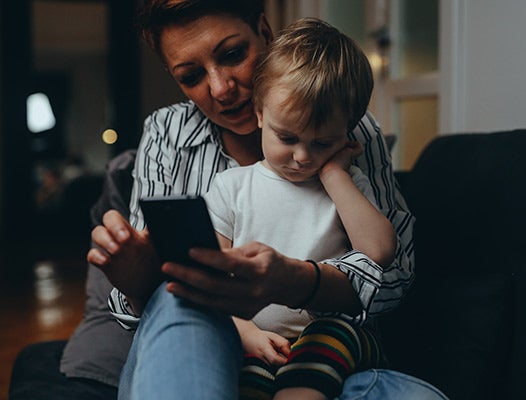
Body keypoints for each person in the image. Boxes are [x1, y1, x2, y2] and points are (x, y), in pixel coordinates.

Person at [10, 1, 446, 399]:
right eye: (191, 77)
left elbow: (393, 273)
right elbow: (157, 299)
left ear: (263, 30)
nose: (220, 89)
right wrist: (140, 280)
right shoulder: (170, 136)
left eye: (233, 54)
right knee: (179, 296)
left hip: (331, 347)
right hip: (221, 335)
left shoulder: (344, 123)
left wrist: (299, 280)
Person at [203, 18, 393, 400]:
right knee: (243, 382)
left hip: (337, 333)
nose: (303, 157)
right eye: (287, 138)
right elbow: (212, 276)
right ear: (259, 113)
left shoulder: (344, 183)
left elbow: (379, 252)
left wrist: (334, 174)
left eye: (322, 143)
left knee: (317, 357)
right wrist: (244, 331)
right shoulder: (232, 187)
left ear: (348, 132)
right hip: (258, 336)